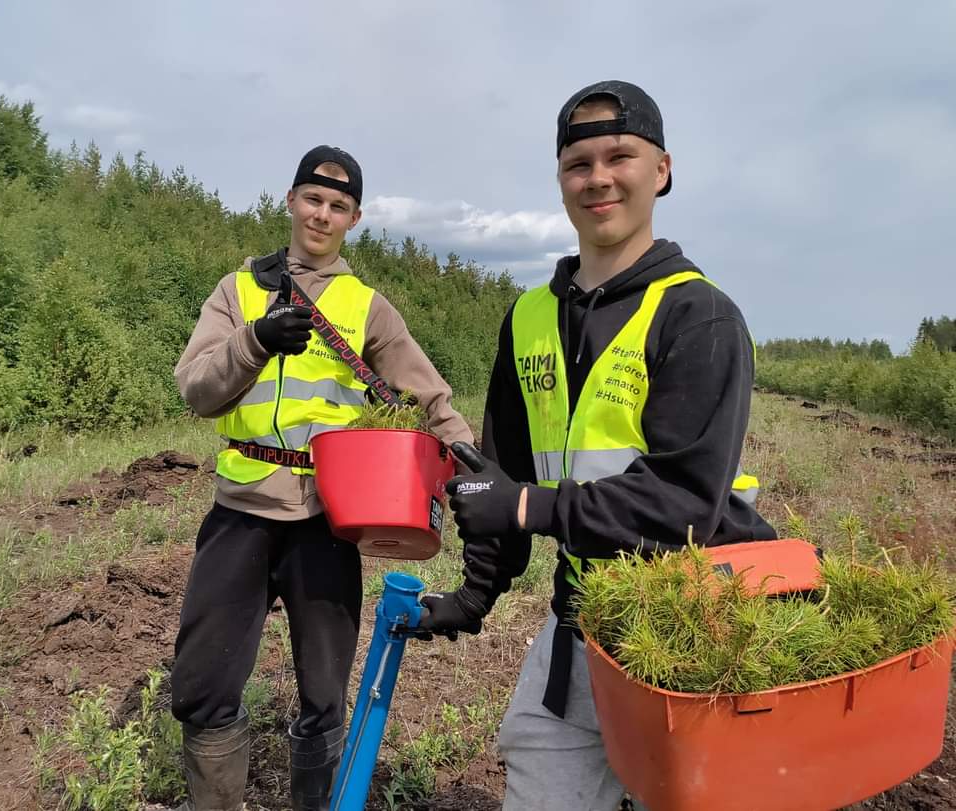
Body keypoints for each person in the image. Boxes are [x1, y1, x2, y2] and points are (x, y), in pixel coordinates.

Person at [417, 81, 777, 810]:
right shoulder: (528, 318)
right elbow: (504, 480)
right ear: (560, 180)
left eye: (621, 156)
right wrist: (476, 594)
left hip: (692, 632)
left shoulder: (698, 316)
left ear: (663, 170)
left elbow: (682, 503)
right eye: (579, 162)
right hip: (580, 627)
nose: (599, 177)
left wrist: (527, 506)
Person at [170, 144, 473, 811]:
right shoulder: (239, 289)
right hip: (240, 512)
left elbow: (429, 394)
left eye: (338, 205)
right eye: (313, 198)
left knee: (324, 693)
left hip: (326, 518)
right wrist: (254, 340)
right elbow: (194, 389)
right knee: (202, 686)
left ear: (354, 219)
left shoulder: (367, 307)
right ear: (290, 200)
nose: (323, 213)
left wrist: (465, 456)